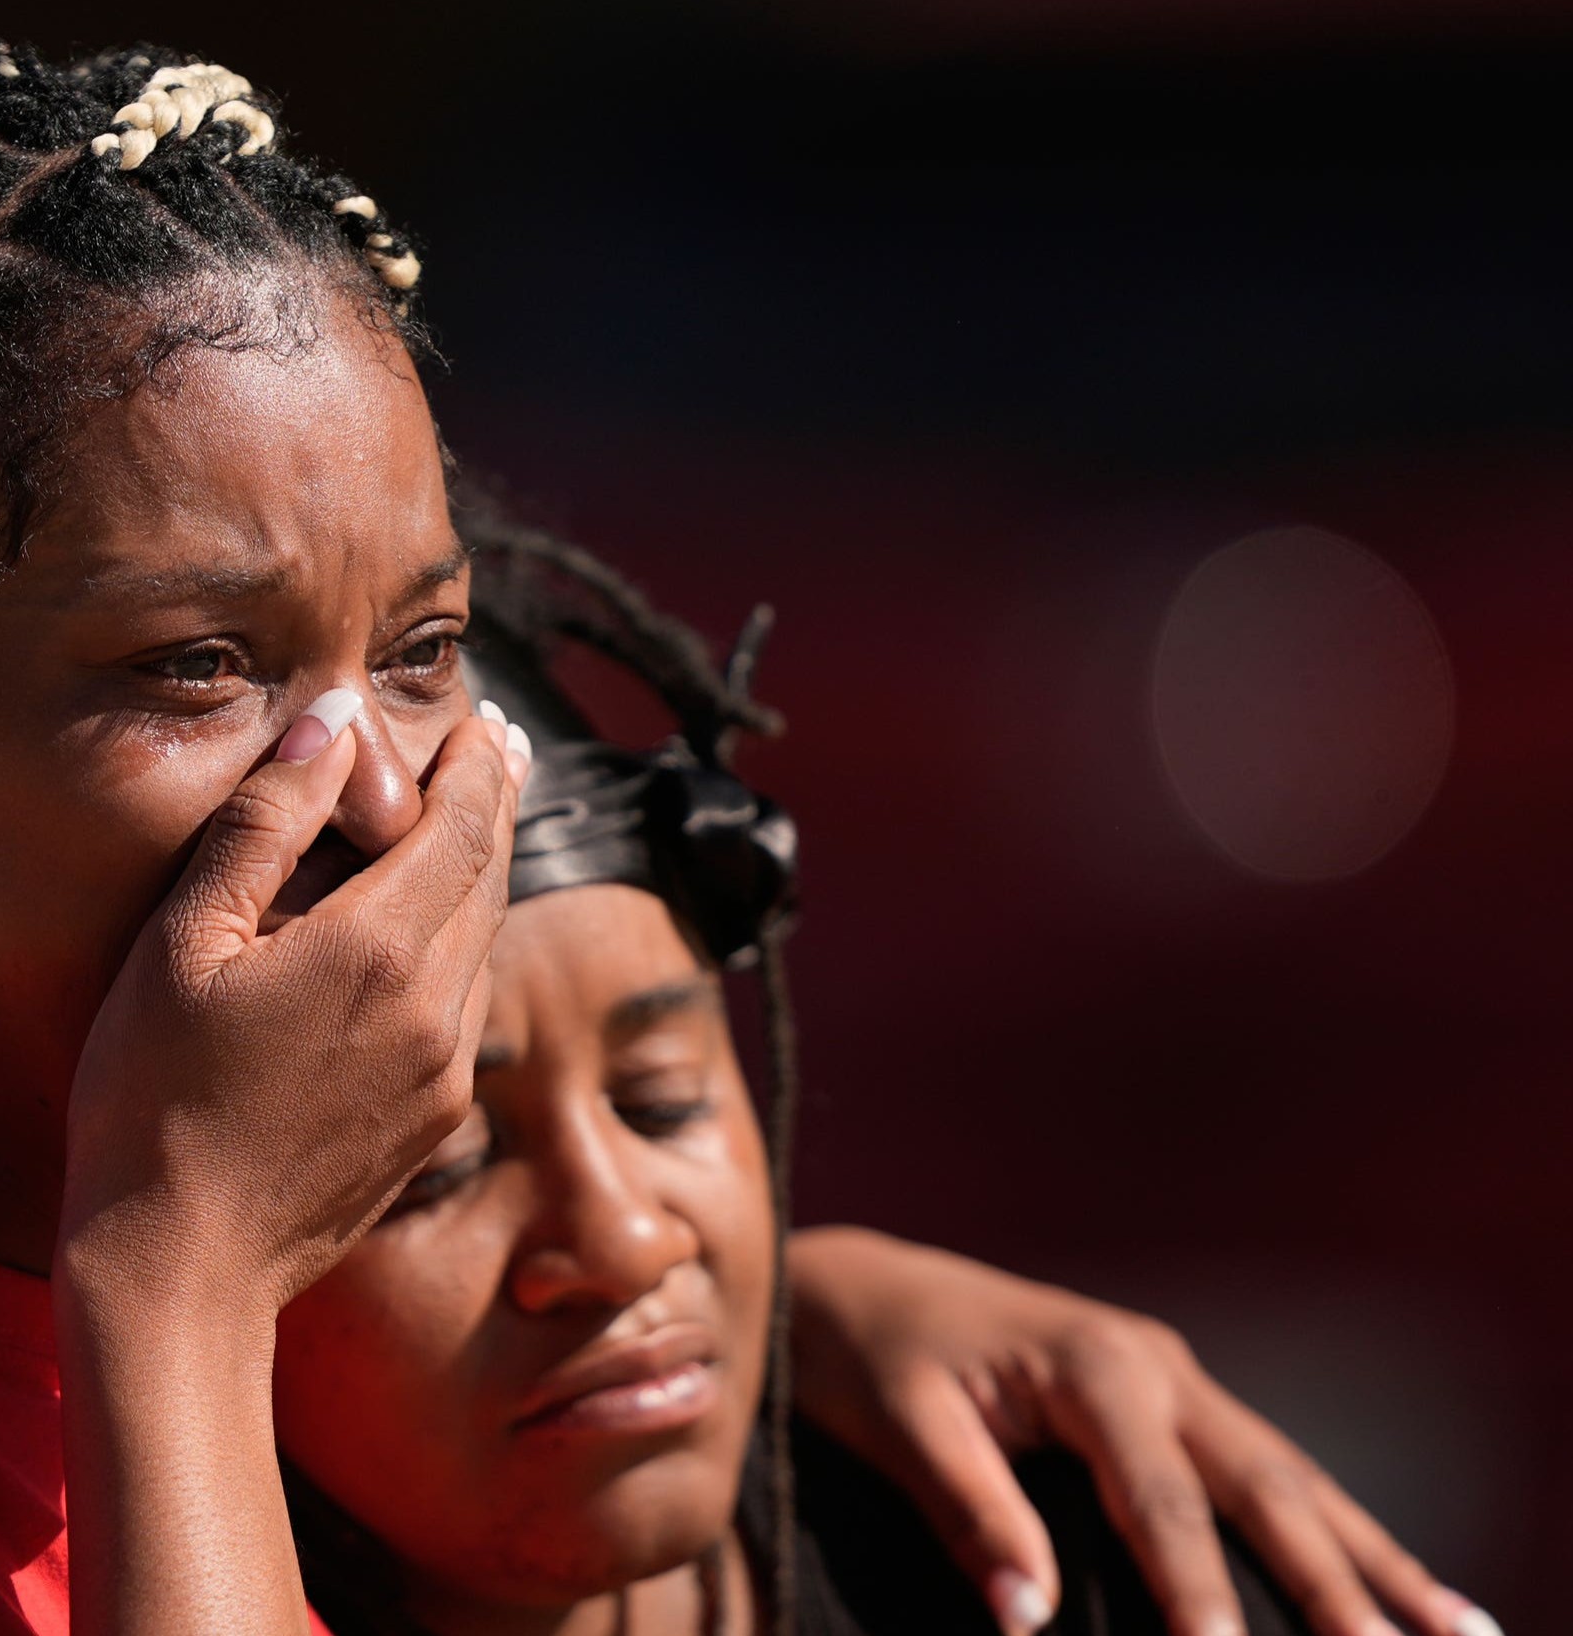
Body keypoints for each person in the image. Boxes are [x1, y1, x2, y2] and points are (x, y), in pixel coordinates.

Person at [0, 40, 1484, 1636]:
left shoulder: (257, 1288)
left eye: (417, 644)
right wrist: (174, 1289)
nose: (374, 792)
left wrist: (770, 1338)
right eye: (193, 671)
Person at [270, 525, 1507, 1636]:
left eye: (661, 1098)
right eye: (437, 1164)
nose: (625, 1233)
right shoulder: (108, 1572)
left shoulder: (1062, 1575)